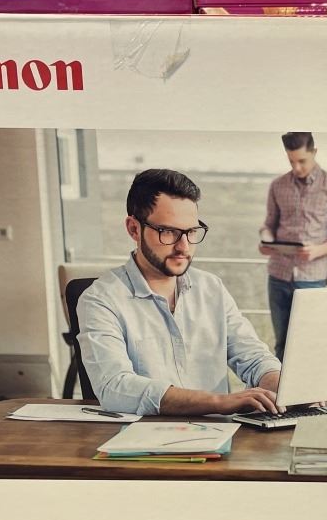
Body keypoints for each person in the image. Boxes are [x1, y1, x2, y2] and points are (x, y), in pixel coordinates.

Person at [77, 169, 283, 416]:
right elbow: (115, 387)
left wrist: (286, 389)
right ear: (134, 229)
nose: (183, 247)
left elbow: (255, 358)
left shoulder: (212, 289)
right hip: (144, 436)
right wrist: (220, 402)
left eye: (191, 231)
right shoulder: (100, 299)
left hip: (219, 434)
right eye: (168, 232)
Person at [259, 132, 327, 360]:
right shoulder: (278, 186)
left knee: (311, 346)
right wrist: (267, 241)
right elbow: (268, 225)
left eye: (302, 161)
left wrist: (317, 251)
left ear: (314, 152)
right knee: (282, 345)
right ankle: (282, 386)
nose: (296, 167)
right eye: (291, 161)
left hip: (313, 279)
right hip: (278, 276)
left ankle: (313, 387)